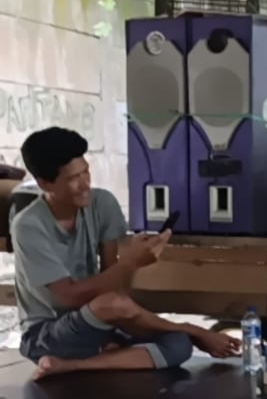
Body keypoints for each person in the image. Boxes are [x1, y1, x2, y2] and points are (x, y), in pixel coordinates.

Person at [12, 127, 240, 381]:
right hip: (48, 336)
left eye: (86, 172)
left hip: (100, 320)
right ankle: (182, 332)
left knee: (178, 344)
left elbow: (113, 285)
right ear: (45, 183)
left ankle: (71, 365)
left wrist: (124, 316)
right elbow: (68, 297)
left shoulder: (102, 203)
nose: (85, 184)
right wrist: (131, 263)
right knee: (114, 307)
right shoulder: (28, 226)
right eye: (73, 178)